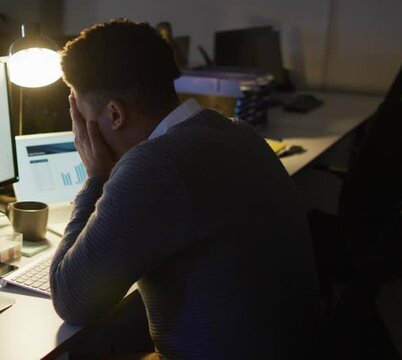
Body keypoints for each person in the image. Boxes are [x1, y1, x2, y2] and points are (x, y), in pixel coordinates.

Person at [49, 19, 321, 360]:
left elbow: (71, 298)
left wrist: (95, 177)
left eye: (81, 117)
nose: (81, 133)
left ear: (115, 114)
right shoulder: (236, 132)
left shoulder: (154, 167)